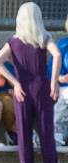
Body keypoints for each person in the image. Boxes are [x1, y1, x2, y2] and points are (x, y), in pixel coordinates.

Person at [0, 2, 61, 163]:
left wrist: (15, 82)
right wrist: (54, 81)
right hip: (42, 88)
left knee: (24, 136)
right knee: (47, 135)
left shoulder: (13, 41)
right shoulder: (44, 37)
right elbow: (57, 55)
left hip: (21, 91)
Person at [49, 14, 68, 146]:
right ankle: (56, 134)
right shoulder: (62, 44)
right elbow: (51, 70)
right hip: (64, 88)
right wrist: (60, 78)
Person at [0, 64, 19, 145]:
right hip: (3, 92)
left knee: (29, 104)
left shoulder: (26, 62)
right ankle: (12, 133)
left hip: (22, 92)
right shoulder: (3, 62)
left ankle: (15, 131)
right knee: (9, 105)